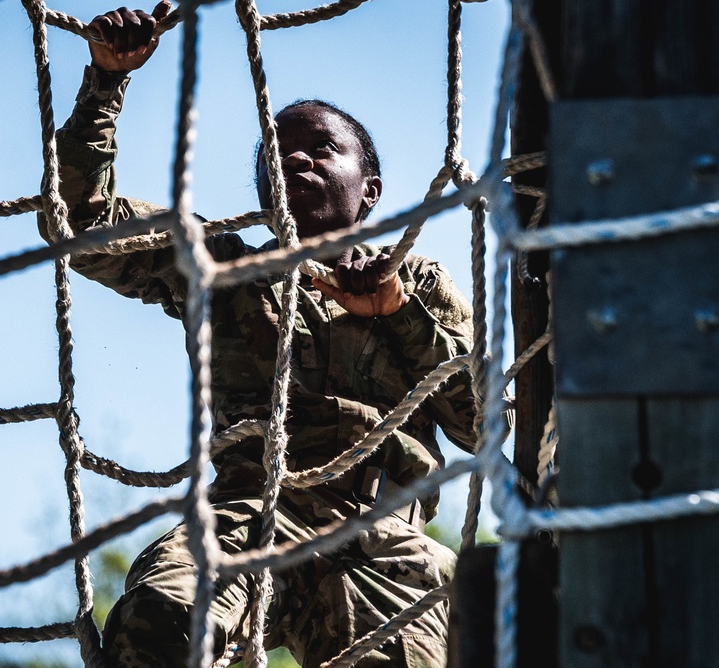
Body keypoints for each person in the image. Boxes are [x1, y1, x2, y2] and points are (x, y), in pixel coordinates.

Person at [43, 4, 480, 666]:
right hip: (249, 514)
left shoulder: (416, 281)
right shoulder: (223, 266)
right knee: (159, 621)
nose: (298, 155)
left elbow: (488, 423)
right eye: (279, 151)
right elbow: (77, 224)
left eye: (323, 148)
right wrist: (106, 83)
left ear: (370, 190)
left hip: (383, 536)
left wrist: (395, 313)